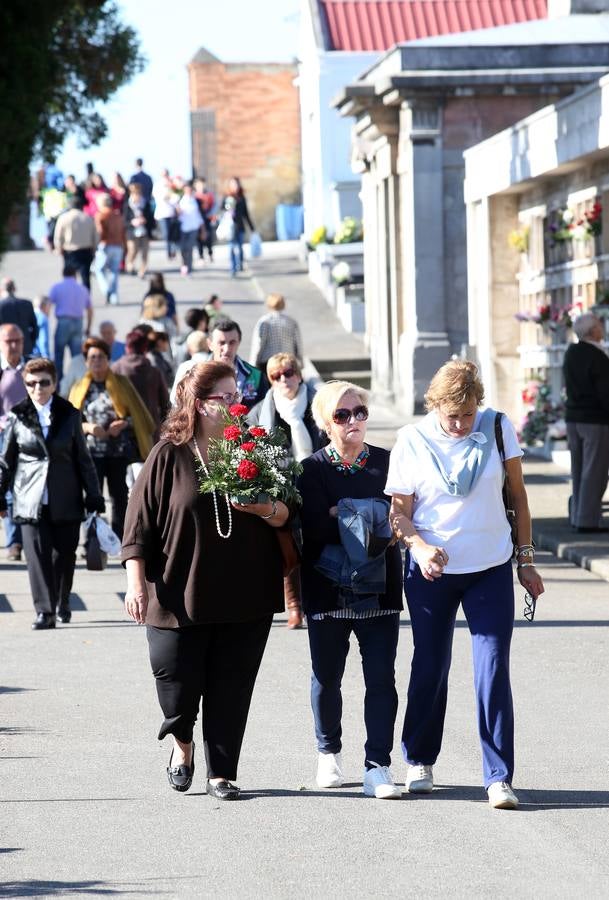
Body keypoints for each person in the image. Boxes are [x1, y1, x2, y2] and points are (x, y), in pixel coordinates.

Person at [122, 361, 289, 800]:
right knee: (175, 679)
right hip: (178, 592)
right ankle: (182, 744)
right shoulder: (167, 455)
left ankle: (222, 772)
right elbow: (137, 526)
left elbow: (289, 513)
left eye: (238, 396)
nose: (237, 405)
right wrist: (135, 583)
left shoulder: (253, 449)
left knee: (232, 685)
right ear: (199, 404)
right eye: (226, 398)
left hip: (245, 589)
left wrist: (266, 509)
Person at [385, 359, 545, 810]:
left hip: (490, 565)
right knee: (430, 664)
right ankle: (419, 758)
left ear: (479, 405)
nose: (459, 424)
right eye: (451, 415)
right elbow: (398, 513)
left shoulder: (497, 428)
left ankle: (499, 777)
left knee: (493, 667)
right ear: (435, 405)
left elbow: (518, 495)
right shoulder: (412, 440)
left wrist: (526, 561)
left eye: (467, 414)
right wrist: (417, 547)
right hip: (432, 573)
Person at [296, 380, 404, 798]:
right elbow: (315, 528)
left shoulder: (387, 463)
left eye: (359, 412)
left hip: (380, 589)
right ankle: (328, 752)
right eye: (342, 415)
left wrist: (347, 513)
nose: (354, 421)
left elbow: (398, 522)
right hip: (327, 587)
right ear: (326, 423)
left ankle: (378, 765)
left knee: (381, 680)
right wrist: (368, 516)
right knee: (327, 677)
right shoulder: (310, 470)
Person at [0, 358, 105, 629]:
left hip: (66, 498)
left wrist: (94, 496)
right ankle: (44, 611)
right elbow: (5, 461)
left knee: (64, 557)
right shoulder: (17, 415)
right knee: (37, 558)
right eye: (31, 383)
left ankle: (62, 600)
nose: (38, 388)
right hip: (29, 499)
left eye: (44, 382)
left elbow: (84, 459)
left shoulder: (70, 414)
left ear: (54, 384)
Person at [249, 352, 325, 629]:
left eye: (289, 373)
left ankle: (317, 601)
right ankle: (294, 606)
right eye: (276, 376)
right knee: (286, 543)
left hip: (315, 480)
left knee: (317, 539)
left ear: (299, 374)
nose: (284, 380)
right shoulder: (260, 411)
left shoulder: (318, 405)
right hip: (279, 485)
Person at [69, 338, 155, 540]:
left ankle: (120, 538)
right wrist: (88, 427)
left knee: (119, 496)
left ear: (108, 359)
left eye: (101, 357)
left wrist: (123, 423)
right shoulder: (80, 387)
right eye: (92, 357)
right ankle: (92, 538)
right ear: (86, 361)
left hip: (118, 451)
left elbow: (141, 418)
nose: (97, 361)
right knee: (92, 495)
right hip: (90, 453)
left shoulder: (122, 383)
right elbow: (70, 422)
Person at [563, 313, 609, 533]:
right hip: (594, 420)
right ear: (593, 332)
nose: (603, 328)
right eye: (600, 325)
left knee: (579, 468)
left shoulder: (571, 352)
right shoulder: (597, 356)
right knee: (595, 471)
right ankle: (588, 520)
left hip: (573, 418)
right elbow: (604, 392)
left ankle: (578, 516)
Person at [0, 324, 28, 561]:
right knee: (7, 489)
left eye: (17, 340)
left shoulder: (31, 368)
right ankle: (13, 542)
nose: (13, 345)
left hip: (29, 436)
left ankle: (29, 538)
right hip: (3, 437)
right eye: (8, 341)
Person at [112, 331, 169, 438]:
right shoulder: (154, 372)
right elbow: (165, 404)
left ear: (127, 347)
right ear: (145, 349)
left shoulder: (115, 369)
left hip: (123, 432)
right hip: (150, 432)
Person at [209, 319, 267, 410]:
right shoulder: (197, 375)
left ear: (239, 342)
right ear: (210, 344)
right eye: (221, 343)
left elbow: (263, 413)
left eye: (232, 342)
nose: (227, 349)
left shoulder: (256, 376)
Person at [48, 264, 93, 382]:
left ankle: (57, 382)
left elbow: (47, 306)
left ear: (63, 274)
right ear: (75, 275)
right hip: (78, 322)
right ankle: (77, 381)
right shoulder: (83, 289)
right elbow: (90, 310)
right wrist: (88, 327)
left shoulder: (57, 287)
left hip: (63, 322)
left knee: (59, 355)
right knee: (77, 356)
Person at [53, 196, 97, 290]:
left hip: (70, 251)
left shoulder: (63, 218)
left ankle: (70, 297)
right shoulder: (88, 218)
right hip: (86, 250)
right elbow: (95, 236)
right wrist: (94, 249)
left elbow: (58, 236)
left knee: (69, 277)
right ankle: (86, 300)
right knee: (85, 277)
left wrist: (58, 248)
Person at [250, 293, 303, 370]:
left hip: (268, 362)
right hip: (288, 362)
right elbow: (298, 343)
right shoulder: (291, 321)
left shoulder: (265, 321)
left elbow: (258, 344)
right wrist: (300, 361)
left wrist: (253, 363)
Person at [94, 195, 126, 305]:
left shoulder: (101, 215)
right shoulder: (118, 215)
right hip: (118, 245)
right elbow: (123, 232)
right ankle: (114, 297)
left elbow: (100, 232)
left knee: (98, 269)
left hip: (106, 244)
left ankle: (107, 290)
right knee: (114, 271)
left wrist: (96, 245)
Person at [222, 177, 254, 277]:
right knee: (231, 247)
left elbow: (246, 214)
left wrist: (252, 227)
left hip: (239, 226)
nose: (234, 186)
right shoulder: (226, 197)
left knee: (239, 247)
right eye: (232, 184)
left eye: (236, 184)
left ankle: (239, 264)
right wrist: (227, 211)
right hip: (230, 227)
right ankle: (233, 268)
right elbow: (221, 209)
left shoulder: (242, 198)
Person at [0, 278, 38, 357]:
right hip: (25, 347)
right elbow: (35, 328)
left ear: (1, 289)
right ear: (14, 288)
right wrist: (31, 343)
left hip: (6, 349)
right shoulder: (27, 304)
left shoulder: (1, 305)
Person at [170, 331, 211, 404]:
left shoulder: (185, 366)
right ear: (208, 346)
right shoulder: (214, 363)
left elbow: (174, 398)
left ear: (189, 349)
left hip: (190, 410)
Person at [123, 182, 154, 278]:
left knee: (145, 252)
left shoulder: (145, 204)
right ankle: (129, 265)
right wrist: (132, 222)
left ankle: (142, 270)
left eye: (138, 193)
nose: (137, 195)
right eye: (134, 193)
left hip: (144, 232)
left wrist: (145, 220)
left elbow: (151, 219)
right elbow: (124, 221)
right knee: (133, 250)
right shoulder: (127, 205)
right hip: (132, 232)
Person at [177, 181, 204, 276]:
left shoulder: (196, 201)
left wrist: (202, 229)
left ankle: (189, 267)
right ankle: (184, 264)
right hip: (183, 228)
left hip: (194, 227)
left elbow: (199, 215)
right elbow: (177, 215)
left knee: (190, 248)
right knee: (183, 248)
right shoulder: (180, 200)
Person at [153, 170, 179, 259]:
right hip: (162, 213)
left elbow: (176, 197)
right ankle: (169, 252)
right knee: (166, 233)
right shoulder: (158, 185)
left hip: (171, 213)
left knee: (173, 234)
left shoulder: (172, 185)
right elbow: (156, 197)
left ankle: (173, 250)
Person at [194, 176, 215, 261]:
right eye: (199, 185)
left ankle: (210, 253)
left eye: (202, 185)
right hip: (198, 219)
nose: (201, 186)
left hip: (207, 218)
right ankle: (201, 255)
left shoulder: (209, 195)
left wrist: (210, 214)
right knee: (198, 237)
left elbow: (214, 206)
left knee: (208, 236)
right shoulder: (194, 196)